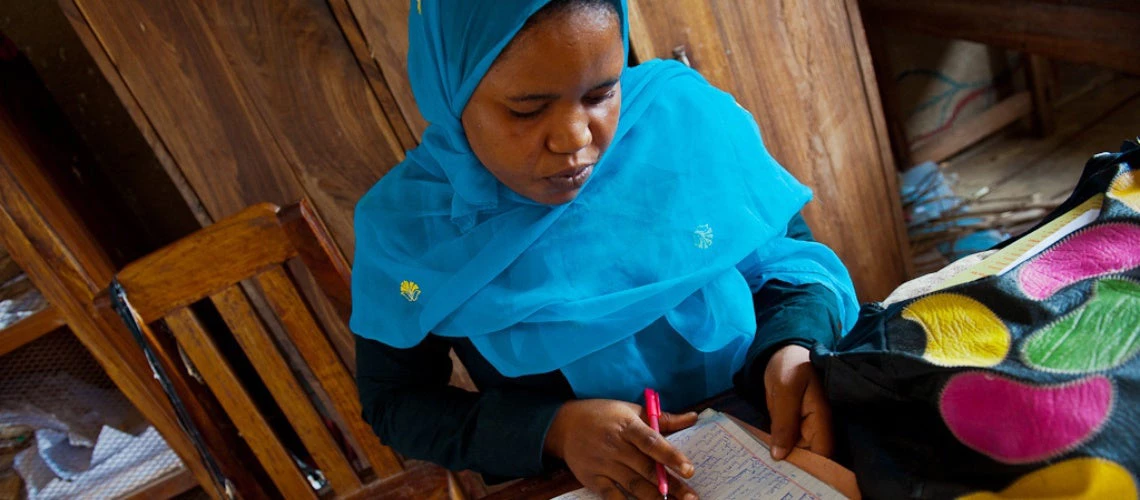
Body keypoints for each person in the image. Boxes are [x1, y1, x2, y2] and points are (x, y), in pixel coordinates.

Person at [351, 1, 858, 498]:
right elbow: (395, 401)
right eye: (527, 109)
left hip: (765, 434)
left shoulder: (682, 120)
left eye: (601, 93)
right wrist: (554, 430)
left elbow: (790, 255)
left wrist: (790, 348)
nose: (575, 138)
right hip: (578, 478)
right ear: (451, 93)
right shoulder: (411, 232)